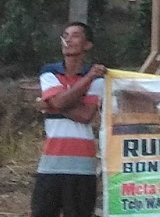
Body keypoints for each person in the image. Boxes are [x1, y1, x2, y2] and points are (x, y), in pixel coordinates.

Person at [31, 21, 107, 217]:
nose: (68, 39)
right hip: (50, 162)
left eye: (75, 35)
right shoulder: (49, 71)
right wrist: (86, 80)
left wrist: (51, 105)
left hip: (82, 165)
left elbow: (85, 115)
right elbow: (64, 103)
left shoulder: (98, 78)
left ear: (87, 45)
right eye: (65, 35)